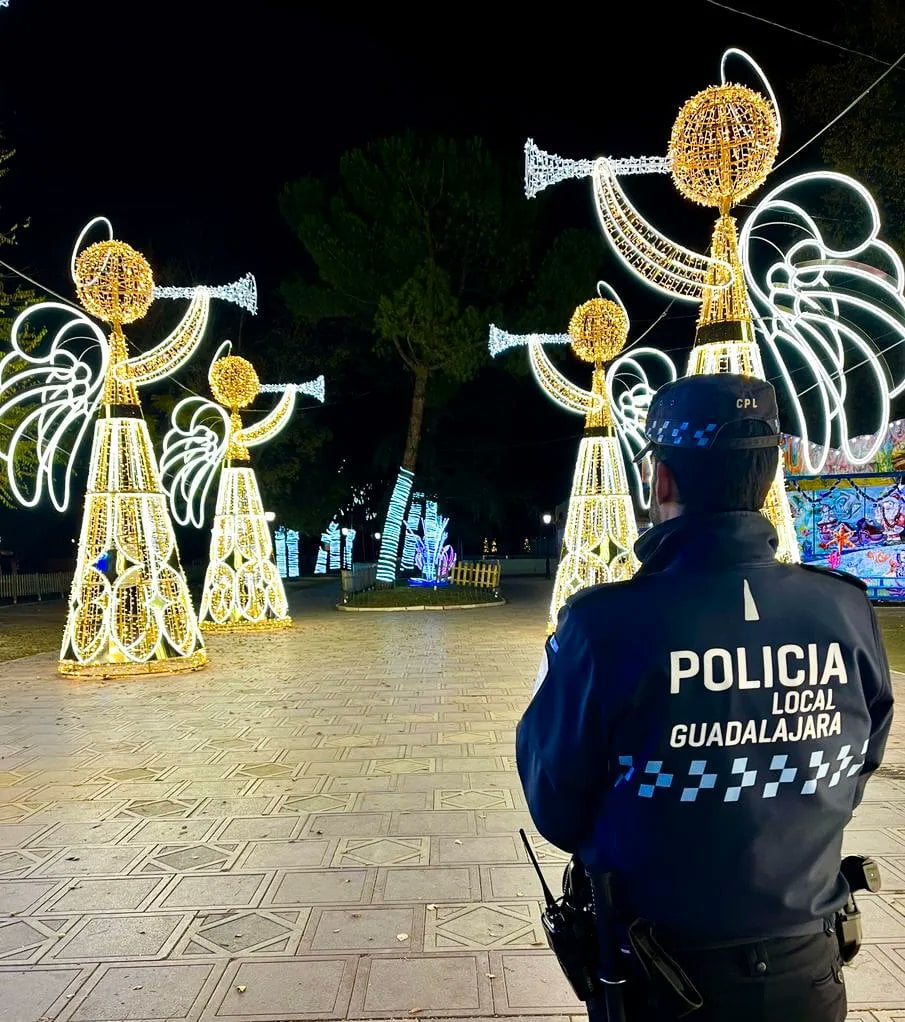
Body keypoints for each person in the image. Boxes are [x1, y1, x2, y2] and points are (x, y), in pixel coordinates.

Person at [516, 373, 893, 1022]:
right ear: (768, 475)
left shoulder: (605, 626)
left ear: (661, 480)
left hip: (661, 980)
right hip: (809, 972)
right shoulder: (843, 609)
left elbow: (556, 807)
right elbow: (854, 765)